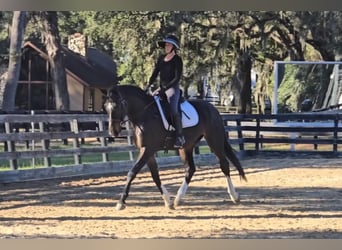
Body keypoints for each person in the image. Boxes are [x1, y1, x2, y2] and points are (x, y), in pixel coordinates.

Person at [145, 34, 185, 148]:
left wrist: (165, 88)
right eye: (165, 45)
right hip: (161, 88)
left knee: (173, 109)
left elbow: (177, 78)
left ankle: (179, 136)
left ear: (174, 47)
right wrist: (148, 84)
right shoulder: (161, 59)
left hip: (172, 88)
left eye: (168, 45)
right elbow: (155, 73)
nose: (166, 47)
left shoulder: (177, 60)